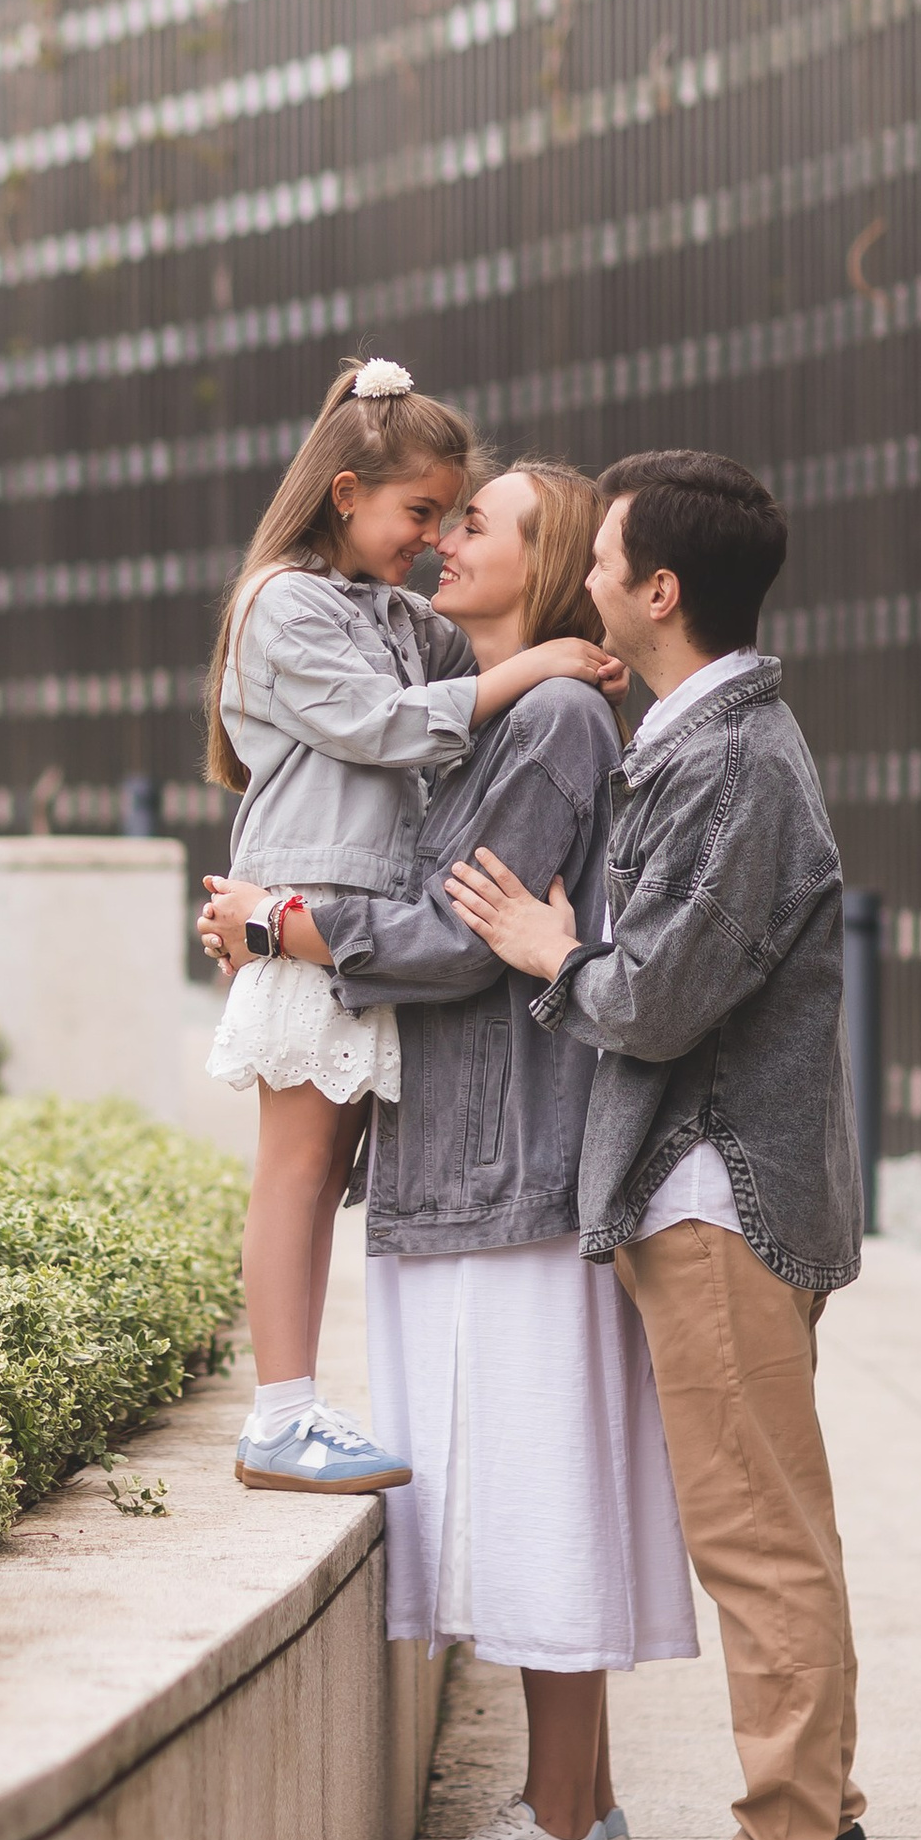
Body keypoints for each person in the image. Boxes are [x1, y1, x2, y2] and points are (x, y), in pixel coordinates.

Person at [199, 463, 695, 1840]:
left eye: (475, 522)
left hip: (512, 1165)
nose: (444, 539)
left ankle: (564, 1831)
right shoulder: (482, 706)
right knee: (529, 1494)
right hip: (467, 1159)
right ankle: (579, 1815)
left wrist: (287, 923)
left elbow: (458, 935)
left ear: (540, 567)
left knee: (542, 1500)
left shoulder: (550, 719)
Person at [444, 448, 878, 1840]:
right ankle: (826, 1830)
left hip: (715, 1193)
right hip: (713, 1187)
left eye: (604, 559)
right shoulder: (705, 741)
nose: (586, 578)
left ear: (660, 592)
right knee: (774, 1519)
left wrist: (548, 950)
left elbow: (658, 996)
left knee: (755, 1533)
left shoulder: (734, 762)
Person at [201, 358, 622, 1496]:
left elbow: (479, 668)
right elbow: (389, 725)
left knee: (323, 1166)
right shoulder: (282, 602)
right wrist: (542, 662)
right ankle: (279, 1412)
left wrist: (565, 659)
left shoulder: (388, 611)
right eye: (421, 513)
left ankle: (293, 1404)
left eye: (453, 519)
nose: (434, 541)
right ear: (345, 494)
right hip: (313, 896)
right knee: (297, 1168)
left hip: (347, 914)